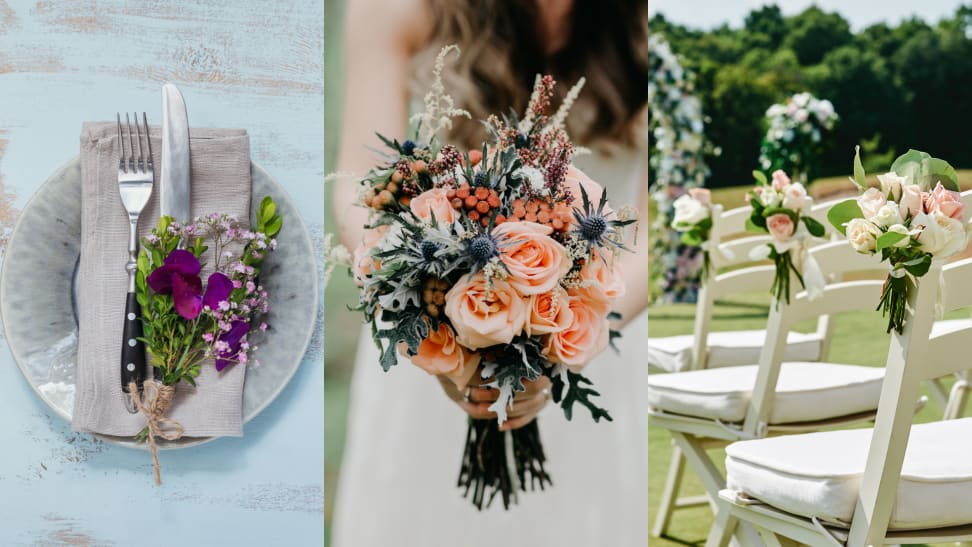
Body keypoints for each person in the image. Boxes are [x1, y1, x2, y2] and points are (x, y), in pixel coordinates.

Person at [330, 0, 649, 544]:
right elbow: (360, 184)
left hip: (598, 338)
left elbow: (662, 220)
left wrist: (560, 336)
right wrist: (438, 318)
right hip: (429, 341)